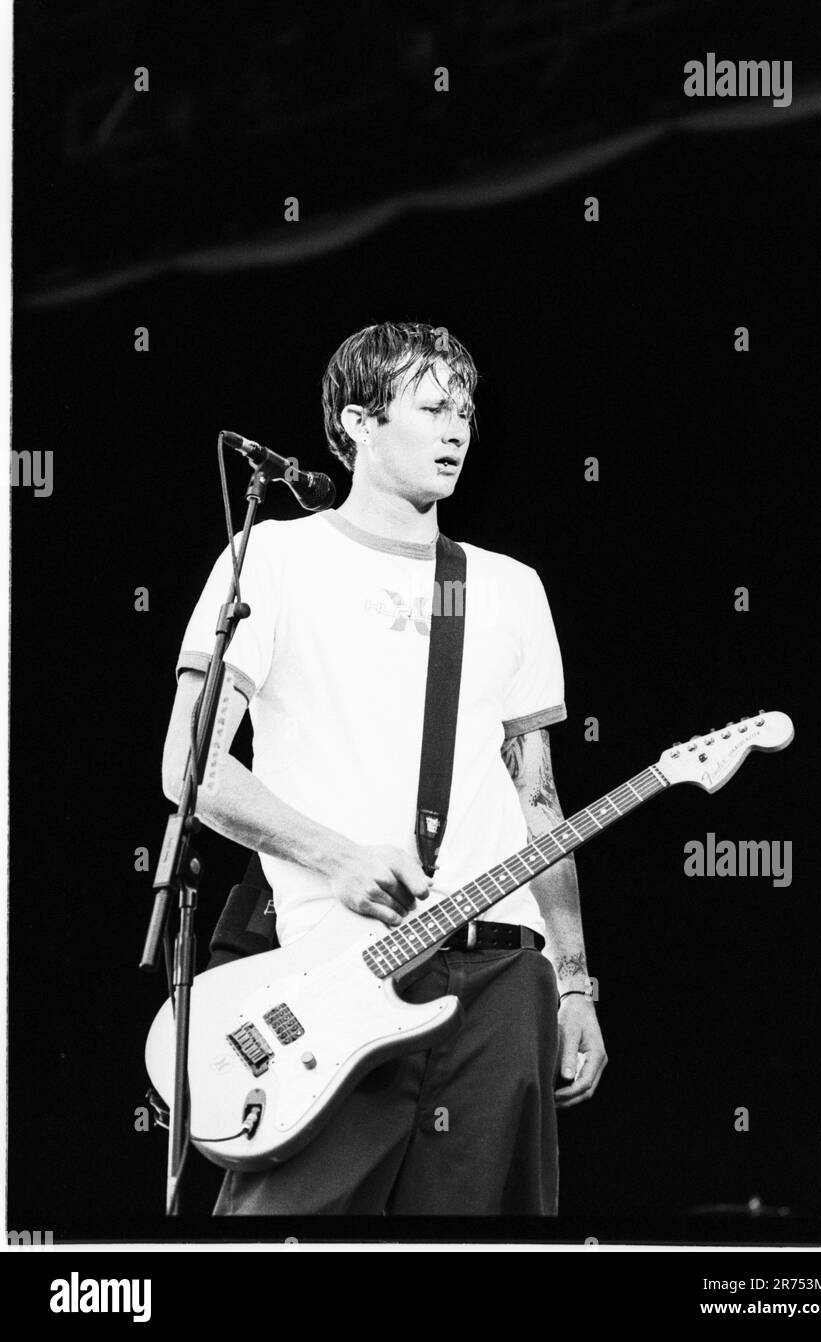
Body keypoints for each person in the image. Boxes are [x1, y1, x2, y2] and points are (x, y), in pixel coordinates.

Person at [161, 321, 607, 1215]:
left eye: (467, 412)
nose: (457, 430)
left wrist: (573, 982)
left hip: (501, 976)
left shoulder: (508, 585)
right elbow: (192, 765)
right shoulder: (275, 558)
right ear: (358, 422)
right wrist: (336, 856)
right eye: (433, 407)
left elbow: (539, 796)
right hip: (337, 975)